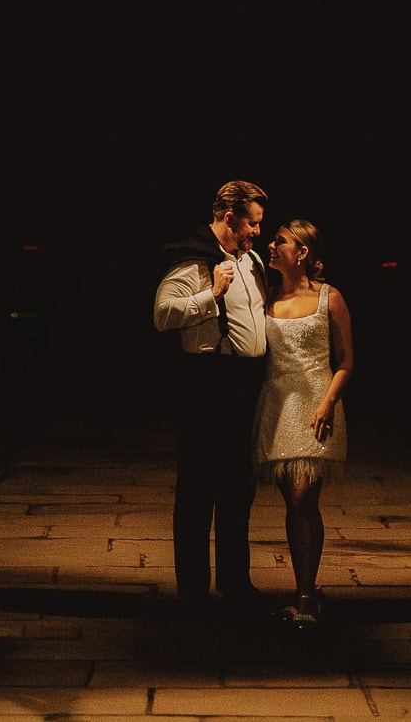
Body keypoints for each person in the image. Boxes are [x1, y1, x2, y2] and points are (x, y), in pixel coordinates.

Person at [152, 179, 271, 611]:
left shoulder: (251, 261)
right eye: (252, 223)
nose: (257, 231)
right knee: (198, 485)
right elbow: (163, 315)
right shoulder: (195, 263)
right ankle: (193, 588)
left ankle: (235, 582)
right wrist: (211, 294)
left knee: (238, 485)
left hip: (245, 381)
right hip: (208, 382)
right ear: (229, 217)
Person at [252, 218, 352, 626]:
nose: (271, 246)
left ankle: (307, 598)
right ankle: (304, 589)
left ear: (303, 252)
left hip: (315, 406)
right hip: (277, 405)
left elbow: (346, 360)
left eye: (280, 241)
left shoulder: (330, 297)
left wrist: (328, 402)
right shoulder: (267, 295)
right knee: (291, 504)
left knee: (303, 498)